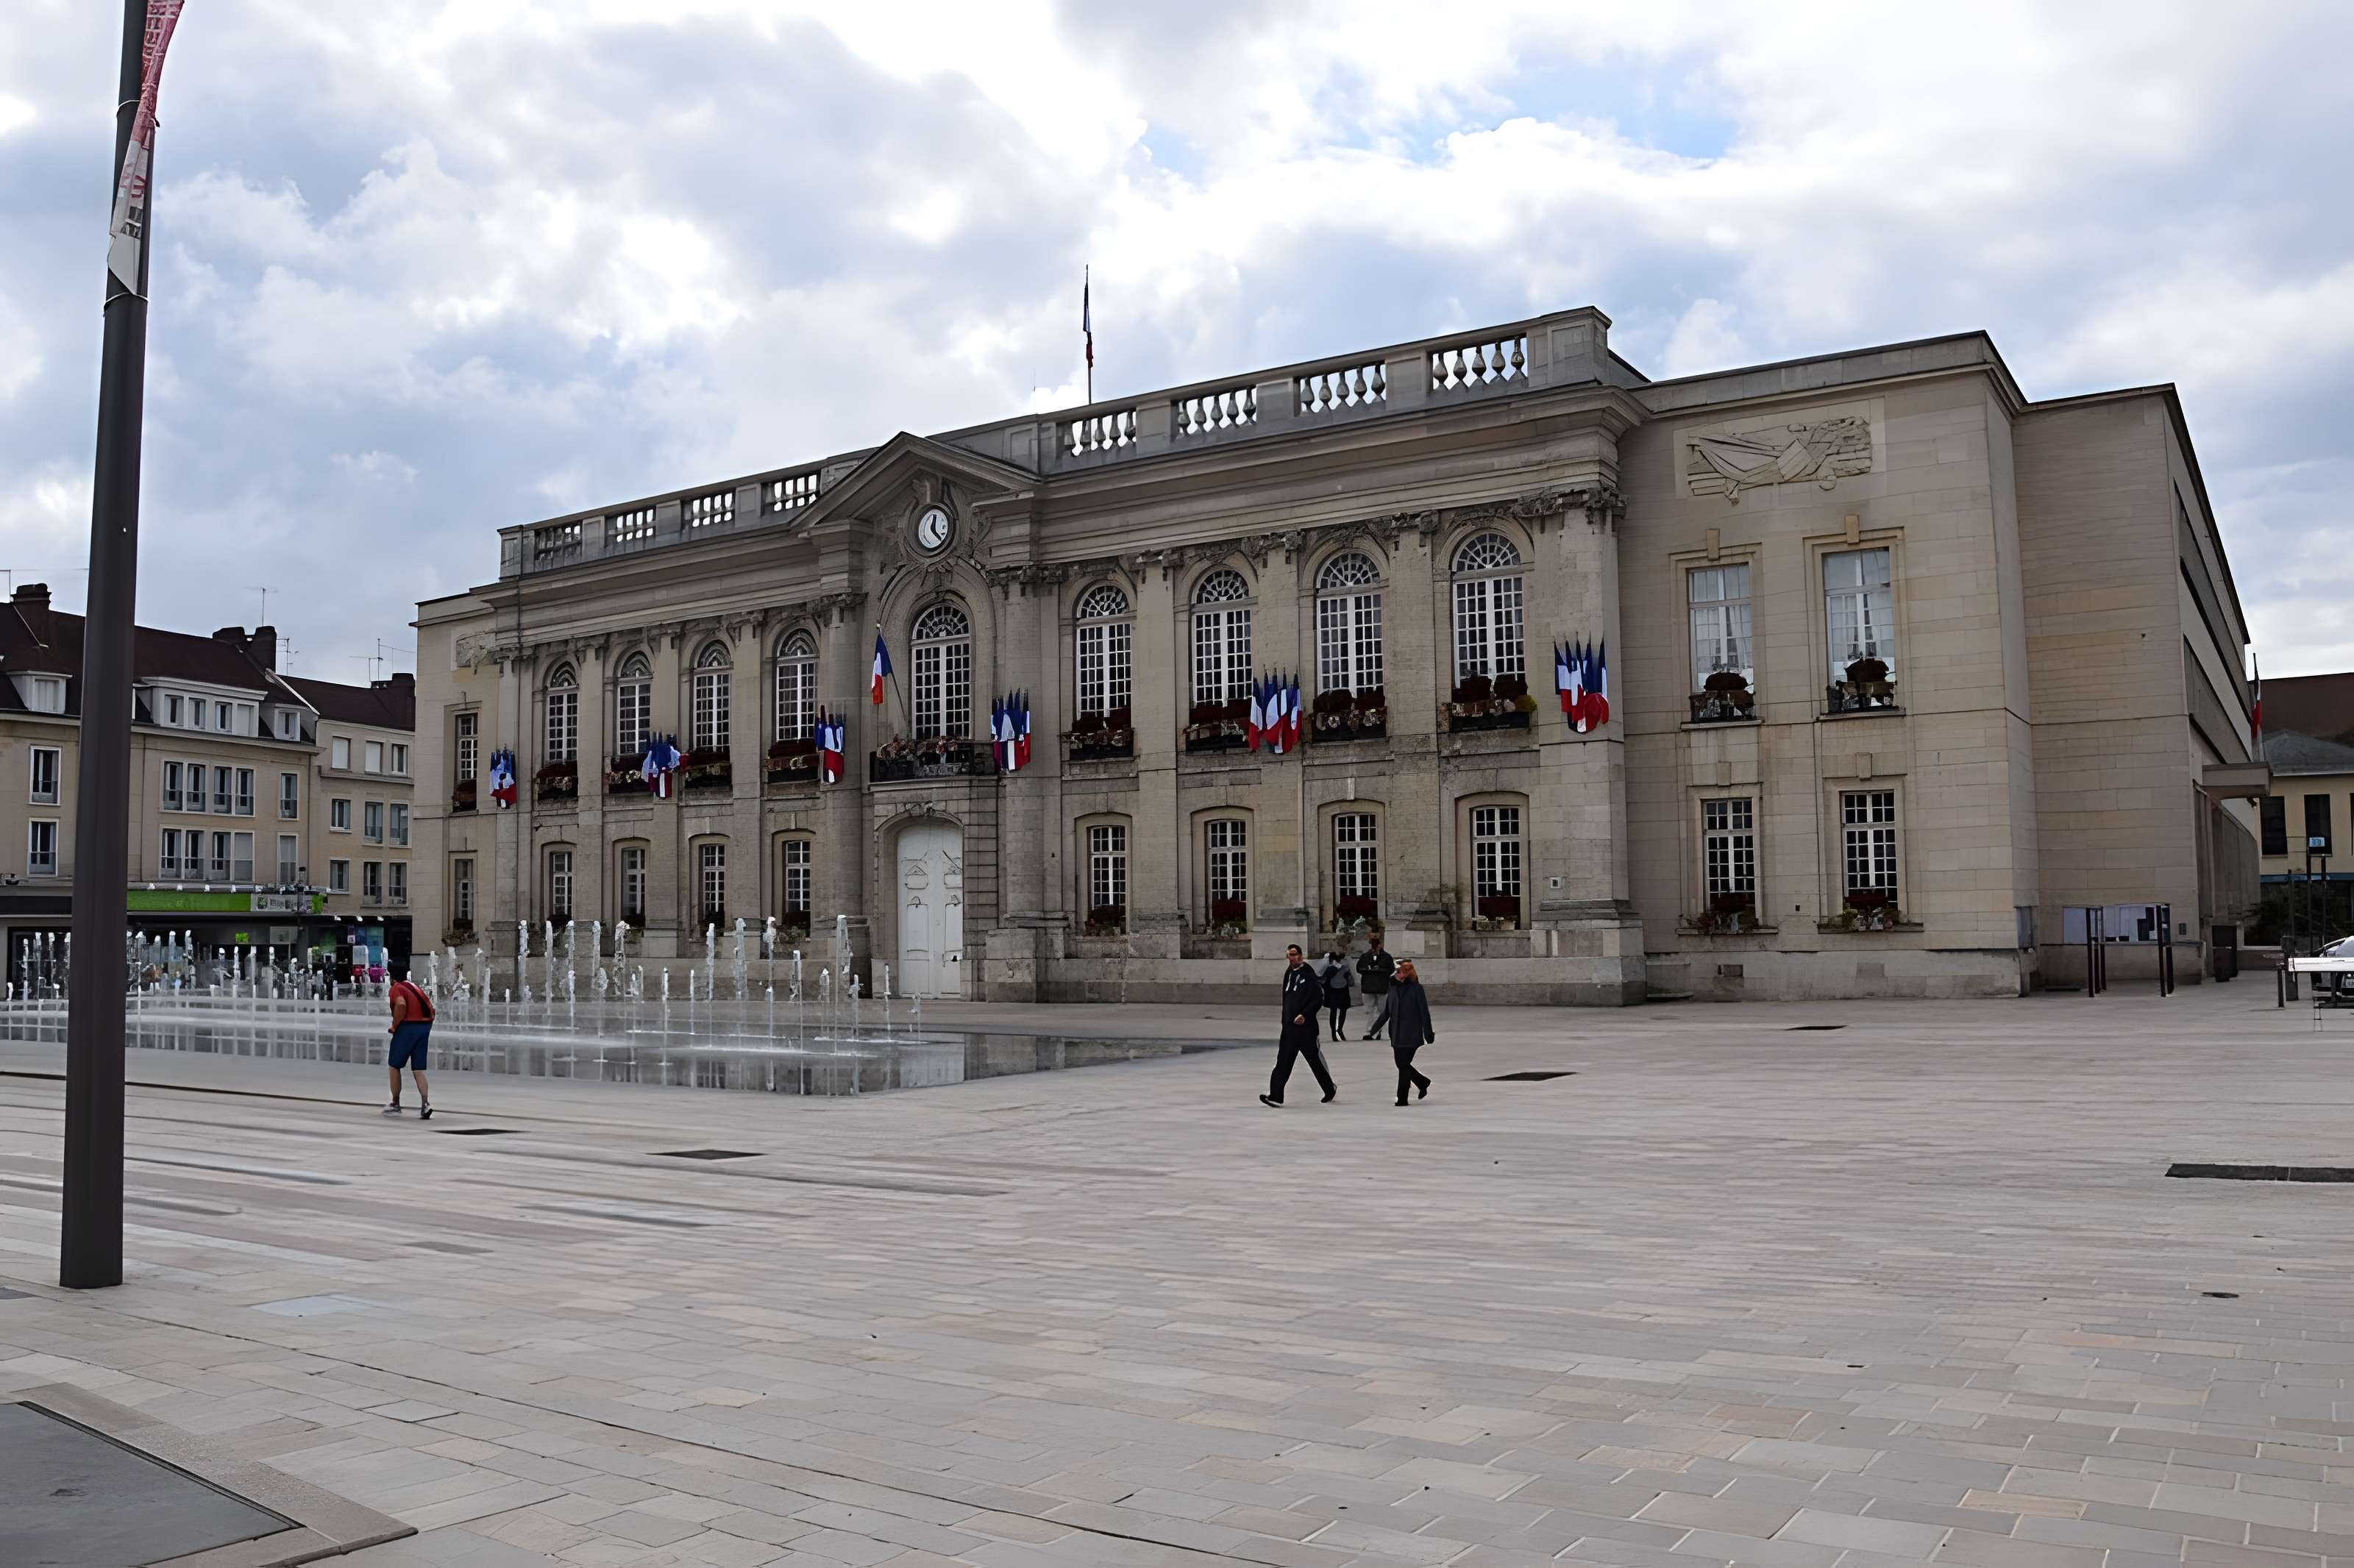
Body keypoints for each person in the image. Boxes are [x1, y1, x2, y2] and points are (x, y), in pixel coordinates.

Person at [1261, 944, 1337, 1107]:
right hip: (1289, 1029)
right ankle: (1275, 1095)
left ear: (1301, 956)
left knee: (1315, 1061)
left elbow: (1318, 999)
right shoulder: (1289, 973)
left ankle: (1330, 1088)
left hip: (1306, 1030)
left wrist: (1305, 1014)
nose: (1291, 958)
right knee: (1283, 1062)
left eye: (1294, 954)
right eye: (1288, 955)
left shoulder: (1308, 974)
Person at [385, 970, 435, 1119]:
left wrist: (395, 1026)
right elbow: (432, 1010)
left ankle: (395, 1104)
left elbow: (401, 1004)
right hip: (425, 1027)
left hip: (408, 1027)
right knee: (418, 1069)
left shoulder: (396, 988)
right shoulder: (415, 986)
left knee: (394, 1065)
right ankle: (426, 1104)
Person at [1385, 958, 1434, 1106]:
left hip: (1412, 1033)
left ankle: (1402, 1098)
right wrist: (1373, 1029)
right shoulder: (1393, 988)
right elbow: (1387, 1011)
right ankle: (1423, 1082)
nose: (1396, 973)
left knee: (1403, 1065)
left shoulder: (1416, 989)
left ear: (1406, 974)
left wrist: (1428, 1033)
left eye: (1398, 971)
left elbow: (1424, 1012)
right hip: (1396, 1034)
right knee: (1402, 1064)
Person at [1356, 933, 1395, 1039]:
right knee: (1369, 1010)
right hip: (1369, 986)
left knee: (1381, 1010)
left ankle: (1377, 1030)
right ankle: (1371, 1031)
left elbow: (1391, 970)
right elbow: (1359, 968)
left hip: (1381, 986)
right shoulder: (1365, 956)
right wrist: (1369, 969)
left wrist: (1380, 969)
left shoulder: (1386, 957)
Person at [1320, 951, 1353, 1041]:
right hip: (1343, 991)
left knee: (1333, 1012)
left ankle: (1333, 1033)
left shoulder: (1329, 969)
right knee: (1343, 1010)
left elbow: (1323, 980)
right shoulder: (1345, 968)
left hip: (1332, 991)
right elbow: (1350, 981)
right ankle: (1340, 1029)